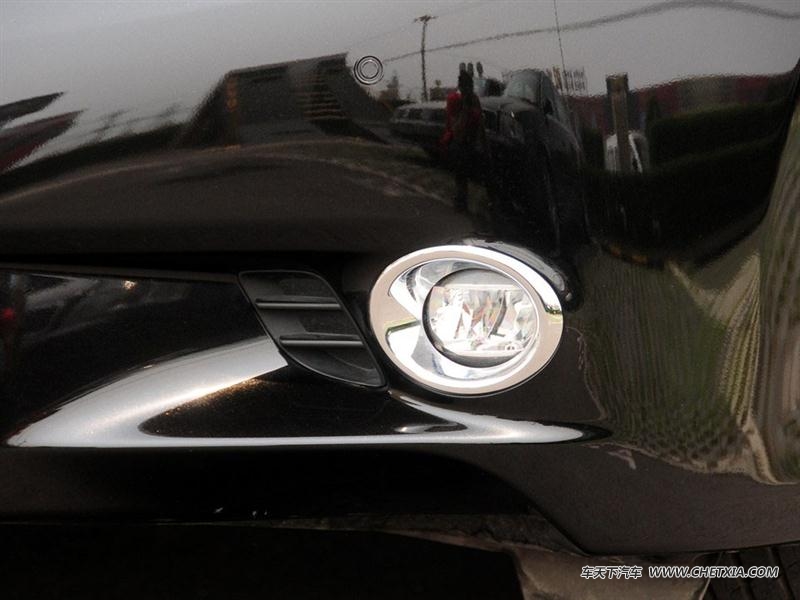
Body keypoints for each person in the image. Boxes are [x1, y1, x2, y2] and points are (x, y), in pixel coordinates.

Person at [441, 70, 487, 211]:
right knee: (461, 173)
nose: (469, 90)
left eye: (470, 86)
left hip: (472, 141)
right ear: (461, 87)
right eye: (466, 86)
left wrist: (481, 142)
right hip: (459, 142)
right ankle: (461, 200)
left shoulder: (474, 99)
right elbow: (456, 129)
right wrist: (465, 109)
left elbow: (480, 122)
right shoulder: (455, 100)